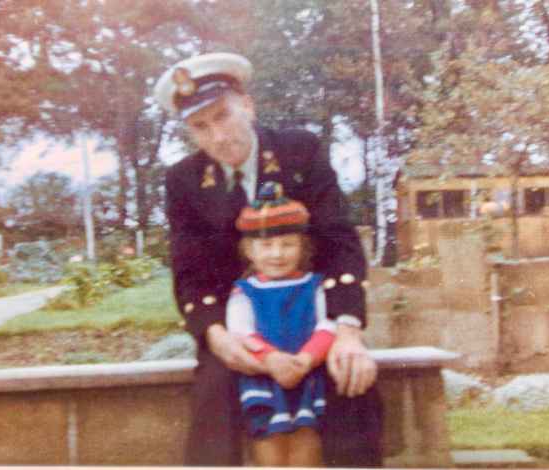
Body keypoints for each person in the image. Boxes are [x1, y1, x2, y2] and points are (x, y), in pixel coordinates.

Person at [154, 52, 383, 467]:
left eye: (223, 116)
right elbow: (190, 273)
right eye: (200, 127)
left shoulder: (299, 152)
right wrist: (218, 339)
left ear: (247, 105)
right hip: (237, 327)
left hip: (308, 318)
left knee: (351, 379)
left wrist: (348, 331)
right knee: (215, 392)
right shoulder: (184, 179)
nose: (218, 137)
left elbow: (337, 240)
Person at [228, 181, 337, 466]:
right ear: (250, 251)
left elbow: (328, 325)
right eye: (266, 245)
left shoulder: (314, 286)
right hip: (265, 378)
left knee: (306, 444)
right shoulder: (244, 292)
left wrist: (305, 360)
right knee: (269, 445)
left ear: (302, 247)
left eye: (287, 244)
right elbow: (241, 332)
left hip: (306, 374)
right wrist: (272, 358)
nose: (277, 254)